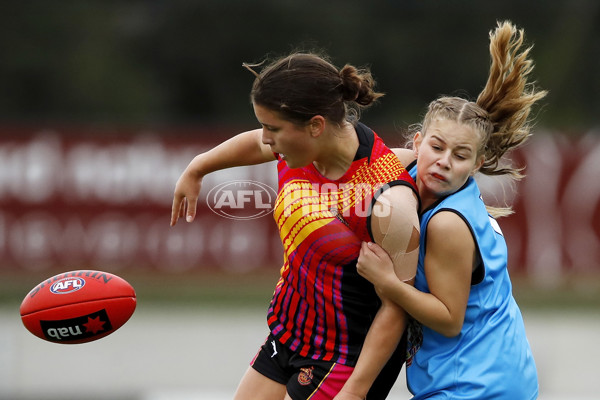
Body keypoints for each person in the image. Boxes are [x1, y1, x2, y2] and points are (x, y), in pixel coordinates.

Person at [170, 52, 420, 400]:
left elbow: (397, 307)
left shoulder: (387, 197)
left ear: (316, 125)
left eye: (273, 128)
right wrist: (198, 167)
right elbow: (257, 143)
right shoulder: (299, 147)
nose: (267, 139)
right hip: (288, 335)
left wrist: (356, 391)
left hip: (343, 358)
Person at [355, 21, 547, 399]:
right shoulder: (409, 172)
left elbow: (450, 319)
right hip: (494, 375)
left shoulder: (447, 223)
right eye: (437, 147)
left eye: (460, 156)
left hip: (476, 385)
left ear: (476, 165)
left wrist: (388, 283)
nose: (444, 162)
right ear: (417, 141)